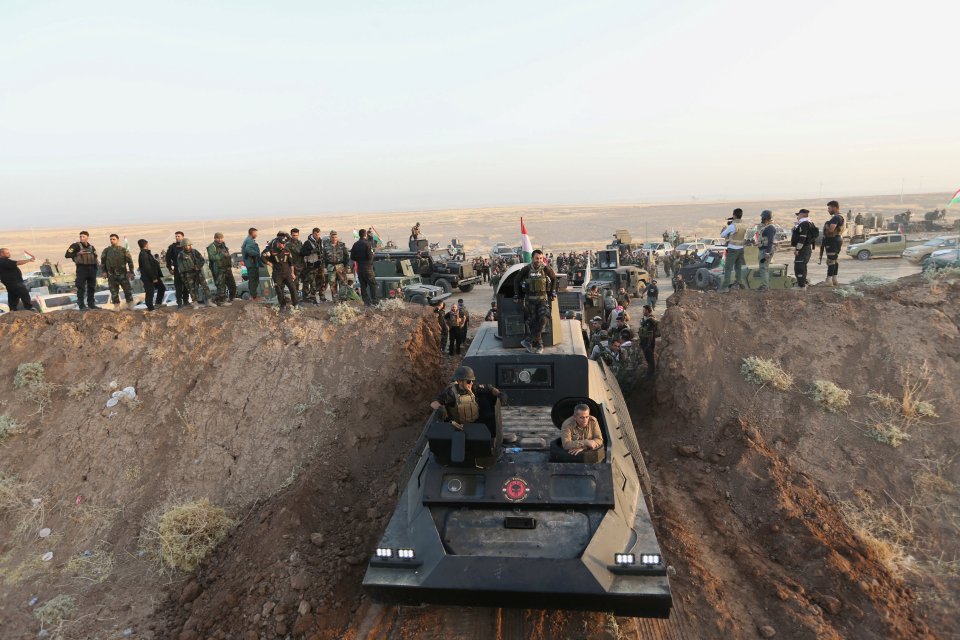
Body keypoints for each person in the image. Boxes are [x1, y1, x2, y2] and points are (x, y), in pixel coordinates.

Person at [513, 249, 557, 354]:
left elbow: (554, 278)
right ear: (532, 258)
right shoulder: (526, 269)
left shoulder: (546, 269)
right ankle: (539, 345)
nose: (539, 260)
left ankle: (528, 340)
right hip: (530, 301)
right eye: (537, 258)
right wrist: (517, 294)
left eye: (541, 258)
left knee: (543, 319)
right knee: (533, 323)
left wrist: (551, 292)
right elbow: (516, 280)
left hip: (542, 300)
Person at [429, 365, 502, 427]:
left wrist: (499, 394)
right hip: (460, 427)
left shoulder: (473, 387)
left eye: (472, 380)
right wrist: (440, 408)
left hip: (476, 423)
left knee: (492, 417)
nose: (471, 383)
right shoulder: (451, 393)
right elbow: (434, 403)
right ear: (460, 381)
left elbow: (489, 388)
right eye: (468, 381)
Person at [262, 232, 298, 309]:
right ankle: (283, 305)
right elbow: (262, 257)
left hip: (287, 273)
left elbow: (291, 263)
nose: (283, 245)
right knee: (279, 290)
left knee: (293, 288)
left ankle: (295, 304)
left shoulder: (287, 250)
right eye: (282, 244)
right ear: (278, 243)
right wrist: (268, 263)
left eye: (284, 243)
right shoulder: (271, 251)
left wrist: (292, 273)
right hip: (277, 273)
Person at [64, 231, 100, 310]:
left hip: (92, 269)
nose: (81, 238)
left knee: (92, 287)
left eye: (83, 236)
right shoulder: (76, 246)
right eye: (80, 236)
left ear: (87, 237)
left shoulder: (91, 247)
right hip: (82, 269)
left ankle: (91, 304)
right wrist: (77, 253)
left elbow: (95, 257)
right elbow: (67, 255)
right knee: (81, 287)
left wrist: (97, 267)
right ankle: (81, 305)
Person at [101, 234, 135, 310]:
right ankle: (116, 307)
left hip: (123, 274)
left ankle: (130, 306)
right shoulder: (106, 251)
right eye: (111, 239)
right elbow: (102, 262)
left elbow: (130, 262)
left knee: (127, 290)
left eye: (113, 239)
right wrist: (104, 272)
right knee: (114, 292)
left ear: (118, 240)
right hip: (111, 275)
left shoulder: (123, 250)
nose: (112, 241)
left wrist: (131, 272)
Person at [177, 238, 213, 309]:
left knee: (205, 286)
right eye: (185, 246)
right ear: (183, 246)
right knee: (192, 289)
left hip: (198, 272)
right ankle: (195, 303)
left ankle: (209, 301)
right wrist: (183, 276)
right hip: (188, 274)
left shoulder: (195, 252)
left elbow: (202, 260)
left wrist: (198, 266)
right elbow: (180, 267)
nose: (187, 247)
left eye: (188, 245)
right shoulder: (180, 255)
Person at [790, 209, 819, 289]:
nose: (797, 217)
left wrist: (798, 249)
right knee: (802, 265)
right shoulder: (808, 223)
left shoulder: (804, 224)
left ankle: (801, 286)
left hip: (803, 249)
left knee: (799, 266)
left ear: (802, 215)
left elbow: (802, 238)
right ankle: (802, 283)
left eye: (798, 215)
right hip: (806, 248)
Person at [719, 208, 747, 291]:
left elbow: (723, 235)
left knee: (728, 268)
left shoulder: (732, 226)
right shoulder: (744, 225)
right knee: (738, 267)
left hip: (732, 249)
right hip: (741, 248)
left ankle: (725, 286)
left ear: (734, 215)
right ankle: (739, 282)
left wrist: (724, 229)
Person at [206, 233, 237, 305]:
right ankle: (221, 301)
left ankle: (232, 298)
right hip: (218, 269)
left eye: (221, 238)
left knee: (232, 284)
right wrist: (221, 254)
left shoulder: (223, 245)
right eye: (218, 238)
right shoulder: (212, 246)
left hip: (227, 268)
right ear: (215, 238)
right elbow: (212, 257)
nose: (220, 240)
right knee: (221, 286)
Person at [350, 228, 377, 305]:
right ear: (365, 235)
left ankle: (366, 302)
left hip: (359, 268)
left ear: (359, 235)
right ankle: (374, 301)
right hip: (368, 267)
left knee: (363, 285)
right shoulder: (368, 244)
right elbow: (370, 256)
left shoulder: (355, 245)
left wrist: (359, 259)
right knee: (372, 284)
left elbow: (352, 257)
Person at [821, 200, 845, 286]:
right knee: (834, 260)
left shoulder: (836, 218)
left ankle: (829, 281)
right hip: (837, 239)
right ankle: (834, 279)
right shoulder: (840, 217)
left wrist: (827, 225)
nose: (828, 210)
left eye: (829, 208)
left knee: (830, 260)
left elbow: (831, 229)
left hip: (833, 240)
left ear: (835, 208)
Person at [137, 239, 165, 311]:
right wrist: (153, 278)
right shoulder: (143, 254)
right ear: (146, 244)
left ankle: (158, 304)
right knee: (150, 292)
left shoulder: (147, 253)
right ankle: (151, 308)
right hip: (148, 277)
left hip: (154, 276)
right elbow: (147, 267)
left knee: (162, 288)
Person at [301, 227, 328, 303]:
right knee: (312, 283)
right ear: (313, 234)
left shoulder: (321, 242)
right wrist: (312, 251)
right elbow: (302, 253)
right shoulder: (308, 243)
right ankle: (312, 298)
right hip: (312, 267)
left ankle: (322, 297)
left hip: (320, 266)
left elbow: (324, 252)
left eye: (319, 234)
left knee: (322, 281)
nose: (317, 236)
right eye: (316, 234)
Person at [166, 231, 189, 308]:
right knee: (178, 286)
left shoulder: (186, 245)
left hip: (186, 269)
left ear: (182, 237)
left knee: (186, 285)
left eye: (178, 236)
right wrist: (169, 268)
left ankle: (186, 301)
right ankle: (179, 303)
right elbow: (168, 258)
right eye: (176, 236)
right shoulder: (172, 247)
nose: (177, 237)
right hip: (177, 269)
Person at [324, 230, 350, 298]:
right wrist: (325, 267)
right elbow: (324, 257)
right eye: (332, 237)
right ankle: (335, 299)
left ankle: (343, 298)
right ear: (330, 237)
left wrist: (346, 265)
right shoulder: (326, 246)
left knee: (343, 283)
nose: (334, 238)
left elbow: (346, 256)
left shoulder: (342, 245)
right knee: (332, 284)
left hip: (340, 266)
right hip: (331, 267)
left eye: (335, 237)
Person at [756, 210, 777, 290]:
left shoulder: (770, 228)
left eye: (762, 217)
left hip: (765, 250)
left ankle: (765, 286)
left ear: (765, 218)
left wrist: (767, 252)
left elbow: (770, 241)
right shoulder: (767, 227)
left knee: (763, 268)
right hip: (764, 249)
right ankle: (766, 285)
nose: (761, 218)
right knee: (765, 268)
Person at [638, 304, 660, 378]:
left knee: (650, 358)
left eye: (644, 310)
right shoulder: (646, 319)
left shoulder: (651, 319)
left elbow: (650, 330)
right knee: (647, 357)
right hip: (645, 341)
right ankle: (650, 371)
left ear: (647, 310)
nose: (643, 311)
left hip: (649, 342)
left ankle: (650, 374)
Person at [241, 228, 262, 300]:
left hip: (250, 263)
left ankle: (253, 295)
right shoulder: (250, 240)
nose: (256, 234)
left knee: (252, 280)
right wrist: (257, 255)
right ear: (252, 233)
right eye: (255, 233)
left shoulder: (248, 239)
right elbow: (248, 250)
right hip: (251, 263)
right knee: (254, 279)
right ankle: (254, 296)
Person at [288, 228, 305, 298]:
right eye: (293, 235)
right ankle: (295, 299)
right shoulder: (288, 244)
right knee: (295, 284)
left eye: (296, 235)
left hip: (301, 265)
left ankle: (303, 297)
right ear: (291, 235)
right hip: (293, 267)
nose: (295, 237)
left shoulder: (300, 242)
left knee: (304, 282)